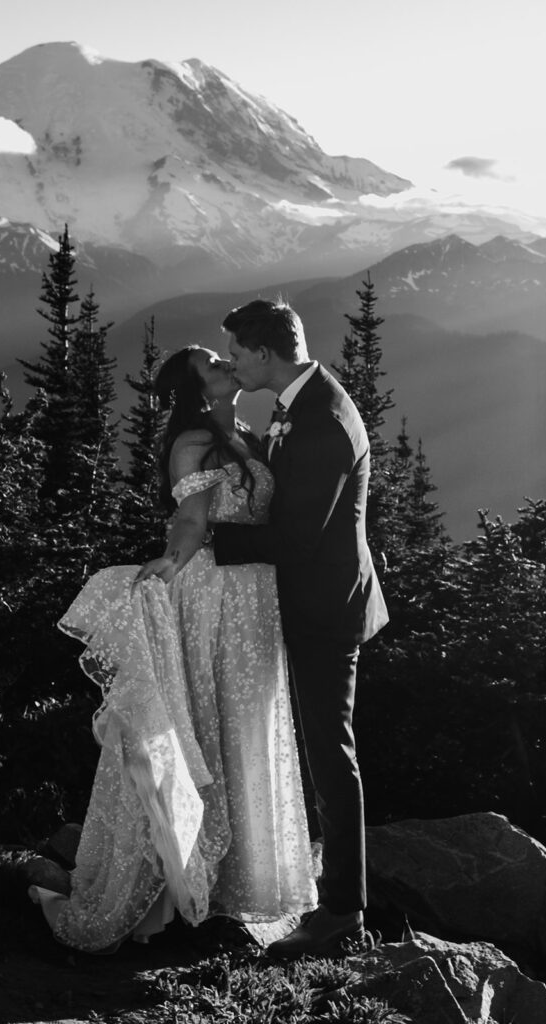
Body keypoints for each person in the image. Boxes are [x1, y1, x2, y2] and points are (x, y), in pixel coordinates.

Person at [29, 344, 317, 952]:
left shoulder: (241, 430)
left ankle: (249, 880)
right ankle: (194, 882)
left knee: (251, 722)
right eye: (214, 365)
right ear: (199, 388)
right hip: (221, 595)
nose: (226, 367)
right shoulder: (195, 439)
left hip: (256, 594)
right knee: (218, 720)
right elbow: (190, 519)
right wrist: (170, 562)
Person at [212, 299, 389, 959]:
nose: (231, 363)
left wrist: (207, 541)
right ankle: (328, 894)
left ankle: (343, 909)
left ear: (263, 352)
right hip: (312, 598)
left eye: (235, 353)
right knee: (319, 747)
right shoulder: (302, 403)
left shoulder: (322, 420)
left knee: (328, 754)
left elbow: (295, 535)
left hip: (323, 609)